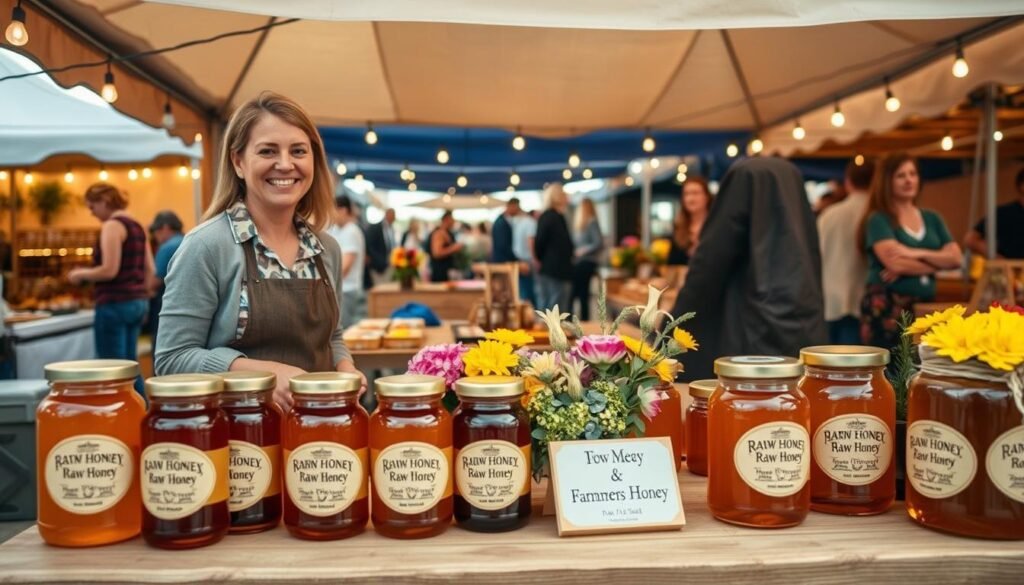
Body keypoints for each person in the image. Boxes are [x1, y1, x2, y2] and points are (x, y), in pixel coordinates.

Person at [155, 91, 363, 410]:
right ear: (238, 162)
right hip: (238, 434)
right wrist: (261, 372)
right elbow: (171, 359)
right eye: (267, 151)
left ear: (313, 161)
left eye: (298, 151)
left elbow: (332, 338)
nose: (285, 164)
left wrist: (345, 369)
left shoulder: (326, 249)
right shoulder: (207, 246)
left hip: (319, 426)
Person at [669, 158, 828, 380]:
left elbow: (710, 262)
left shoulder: (745, 177)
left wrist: (673, 321)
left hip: (751, 333)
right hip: (802, 324)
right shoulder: (796, 202)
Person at [859, 154, 962, 350]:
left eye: (913, 174)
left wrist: (915, 253)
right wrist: (937, 263)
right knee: (893, 372)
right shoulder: (879, 219)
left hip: (926, 306)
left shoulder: (932, 218)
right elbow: (896, 264)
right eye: (901, 175)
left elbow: (957, 259)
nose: (909, 180)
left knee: (922, 368)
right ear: (887, 181)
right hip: (888, 308)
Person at [68, 183, 155, 394]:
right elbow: (150, 269)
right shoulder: (137, 225)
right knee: (130, 366)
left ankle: (122, 421)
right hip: (136, 302)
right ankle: (141, 415)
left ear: (104, 201)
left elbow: (109, 270)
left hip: (114, 303)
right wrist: (142, 296)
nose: (92, 213)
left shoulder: (112, 226)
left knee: (113, 370)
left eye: (92, 207)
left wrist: (80, 274)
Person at [818, 159, 875, 345]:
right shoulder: (879, 213)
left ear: (848, 181)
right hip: (864, 301)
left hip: (830, 300)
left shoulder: (829, 215)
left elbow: (815, 255)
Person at [964, 168, 1024, 259]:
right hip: (1010, 269)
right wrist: (995, 256)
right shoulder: (1004, 213)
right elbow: (970, 239)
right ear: (1022, 186)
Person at [327, 194, 367, 329]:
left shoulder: (351, 231)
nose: (330, 215)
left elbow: (345, 267)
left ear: (343, 210)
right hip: (340, 289)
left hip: (347, 290)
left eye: (332, 210)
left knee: (343, 332)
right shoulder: (339, 230)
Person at [534, 183, 574, 311]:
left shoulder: (554, 216)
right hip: (555, 270)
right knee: (555, 307)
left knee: (554, 306)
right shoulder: (550, 217)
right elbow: (539, 242)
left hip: (555, 268)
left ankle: (552, 330)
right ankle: (551, 331)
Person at [148, 210, 185, 347]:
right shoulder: (188, 240)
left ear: (165, 228)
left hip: (167, 305)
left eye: (155, 232)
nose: (155, 237)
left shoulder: (167, 247)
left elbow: (154, 282)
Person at [667, 177, 712, 266]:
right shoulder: (678, 228)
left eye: (695, 193)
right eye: (686, 194)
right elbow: (672, 264)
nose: (690, 198)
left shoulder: (717, 226)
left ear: (707, 197)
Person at [571, 197, 603, 320]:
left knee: (582, 294)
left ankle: (584, 321)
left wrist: (583, 250)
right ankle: (581, 320)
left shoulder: (591, 222)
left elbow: (598, 242)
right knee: (579, 293)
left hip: (587, 262)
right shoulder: (580, 224)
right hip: (580, 262)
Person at [512, 207, 538, 307]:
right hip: (527, 260)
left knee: (522, 289)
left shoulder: (519, 223)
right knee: (530, 290)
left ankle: (524, 313)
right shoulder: (531, 223)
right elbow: (530, 241)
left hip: (518, 259)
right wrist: (535, 258)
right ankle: (531, 314)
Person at [428, 211, 463, 282]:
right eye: (452, 219)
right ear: (447, 219)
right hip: (440, 273)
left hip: (445, 272)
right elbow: (437, 253)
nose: (454, 221)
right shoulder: (439, 233)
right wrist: (454, 248)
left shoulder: (447, 232)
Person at [366, 208, 396, 286]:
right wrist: (380, 262)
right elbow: (370, 247)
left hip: (388, 266)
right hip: (378, 268)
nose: (394, 218)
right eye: (393, 216)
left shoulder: (391, 229)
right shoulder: (375, 228)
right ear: (387, 215)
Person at [491, 198, 521, 262]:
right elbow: (502, 245)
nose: (518, 210)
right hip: (503, 261)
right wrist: (515, 259)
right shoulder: (501, 223)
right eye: (517, 207)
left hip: (503, 259)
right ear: (511, 206)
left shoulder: (503, 220)